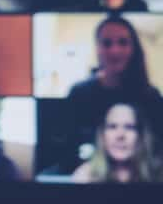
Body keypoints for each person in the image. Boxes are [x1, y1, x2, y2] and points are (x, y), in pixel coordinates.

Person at [67, 15, 163, 148]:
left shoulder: (151, 97)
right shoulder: (79, 94)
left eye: (123, 42)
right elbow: (69, 146)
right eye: (107, 43)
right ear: (97, 48)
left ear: (133, 48)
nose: (115, 50)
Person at [72, 102, 158, 183]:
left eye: (129, 127)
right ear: (102, 135)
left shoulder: (158, 175)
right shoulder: (84, 177)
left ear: (141, 135)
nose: (120, 135)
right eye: (112, 127)